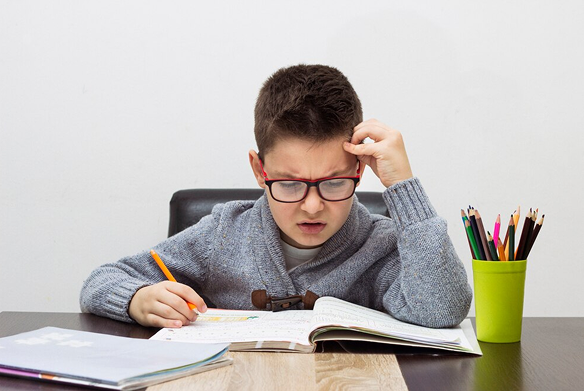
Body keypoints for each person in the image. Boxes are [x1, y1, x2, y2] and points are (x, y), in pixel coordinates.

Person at [80, 64, 472, 329]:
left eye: (334, 182)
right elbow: (100, 281)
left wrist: (403, 186)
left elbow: (443, 310)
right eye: (289, 184)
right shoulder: (223, 233)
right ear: (259, 170)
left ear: (359, 169)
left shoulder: (380, 244)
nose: (313, 205)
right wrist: (137, 298)